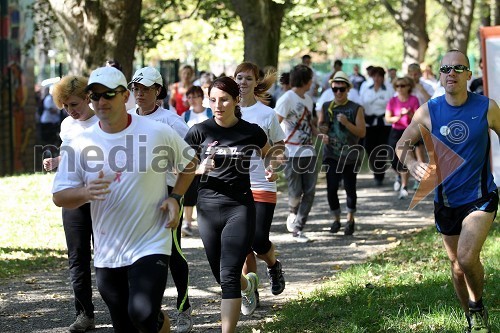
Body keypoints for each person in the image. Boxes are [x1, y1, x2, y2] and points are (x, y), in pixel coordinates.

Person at [52, 66, 198, 333]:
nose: (101, 101)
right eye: (95, 96)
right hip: (109, 250)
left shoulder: (156, 131)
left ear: (123, 96)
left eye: (109, 94)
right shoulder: (79, 143)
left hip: (151, 241)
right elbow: (59, 196)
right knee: (125, 324)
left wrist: (176, 196)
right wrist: (85, 192)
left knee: (141, 313)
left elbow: (190, 162)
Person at [396, 49, 500, 333]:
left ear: (469, 74)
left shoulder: (487, 107)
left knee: (467, 257)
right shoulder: (429, 110)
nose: (451, 73)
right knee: (456, 266)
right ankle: (472, 320)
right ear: (440, 76)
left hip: (481, 196)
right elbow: (402, 145)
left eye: (458, 68)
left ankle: (477, 306)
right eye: (445, 69)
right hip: (446, 200)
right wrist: (412, 162)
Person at [184, 76, 276, 333]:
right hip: (208, 208)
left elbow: (271, 153)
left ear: (236, 100)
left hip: (240, 207)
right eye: (212, 100)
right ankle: (248, 287)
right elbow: (177, 168)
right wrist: (200, 168)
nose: (218, 105)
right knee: (222, 275)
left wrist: (272, 169)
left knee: (227, 277)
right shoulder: (199, 131)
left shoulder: (251, 131)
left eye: (224, 99)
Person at [128, 66, 193, 333]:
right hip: (136, 195)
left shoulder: (172, 122)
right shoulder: (127, 118)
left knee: (172, 252)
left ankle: (184, 308)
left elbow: (191, 159)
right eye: (136, 88)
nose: (139, 93)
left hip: (167, 194)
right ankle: (147, 311)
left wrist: (177, 194)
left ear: (158, 91)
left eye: (145, 89)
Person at [43, 75, 99, 333]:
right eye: (65, 106)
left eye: (74, 104)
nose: (71, 110)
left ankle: (123, 309)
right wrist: (57, 161)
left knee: (107, 256)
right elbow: (68, 151)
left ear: (88, 98)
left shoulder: (104, 121)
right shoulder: (67, 125)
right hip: (73, 195)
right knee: (77, 257)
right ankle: (84, 314)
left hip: (101, 196)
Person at [234, 62, 287, 306]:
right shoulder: (226, 112)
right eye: (238, 78)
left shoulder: (266, 114)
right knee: (242, 242)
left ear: (256, 83)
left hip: (262, 184)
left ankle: (274, 265)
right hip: (234, 186)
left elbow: (279, 148)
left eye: (247, 78)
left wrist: (273, 167)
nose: (242, 82)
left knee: (258, 239)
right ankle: (250, 291)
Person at [318, 71, 365, 236]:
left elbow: (362, 132)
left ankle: (350, 219)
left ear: (348, 89)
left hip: (350, 155)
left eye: (342, 89)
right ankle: (336, 219)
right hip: (331, 154)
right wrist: (322, 133)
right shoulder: (326, 106)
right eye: (335, 89)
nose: (338, 92)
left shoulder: (356, 108)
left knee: (349, 188)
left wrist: (346, 123)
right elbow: (321, 125)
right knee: (331, 188)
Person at [275, 64, 318, 242]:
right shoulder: (286, 99)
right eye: (310, 79)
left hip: (309, 151)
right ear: (305, 81)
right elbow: (275, 125)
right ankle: (293, 212)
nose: (312, 82)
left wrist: (319, 133)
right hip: (291, 152)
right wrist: (278, 150)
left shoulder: (308, 99)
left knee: (309, 192)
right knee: (295, 191)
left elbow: (309, 123)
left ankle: (298, 228)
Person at [182, 85, 213, 237]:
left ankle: (207, 222)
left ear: (202, 97)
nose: (192, 100)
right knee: (188, 189)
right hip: (191, 155)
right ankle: (187, 223)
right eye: (189, 97)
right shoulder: (185, 116)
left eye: (195, 96)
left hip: (208, 155)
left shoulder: (210, 113)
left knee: (206, 187)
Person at [384, 76, 419, 199]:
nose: (399, 88)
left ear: (408, 87)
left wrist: (409, 114)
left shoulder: (413, 99)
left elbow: (418, 118)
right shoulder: (392, 101)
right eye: (397, 86)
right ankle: (398, 175)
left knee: (404, 157)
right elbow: (388, 118)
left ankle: (404, 186)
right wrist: (399, 116)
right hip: (395, 131)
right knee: (392, 158)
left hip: (409, 131)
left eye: (402, 85)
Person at [360, 66, 393, 186]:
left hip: (384, 122)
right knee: (369, 147)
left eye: (379, 76)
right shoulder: (365, 88)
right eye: (374, 76)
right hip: (369, 123)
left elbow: (393, 104)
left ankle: (380, 175)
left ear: (383, 77)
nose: (377, 78)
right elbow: (361, 104)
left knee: (382, 148)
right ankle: (375, 170)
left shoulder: (388, 89)